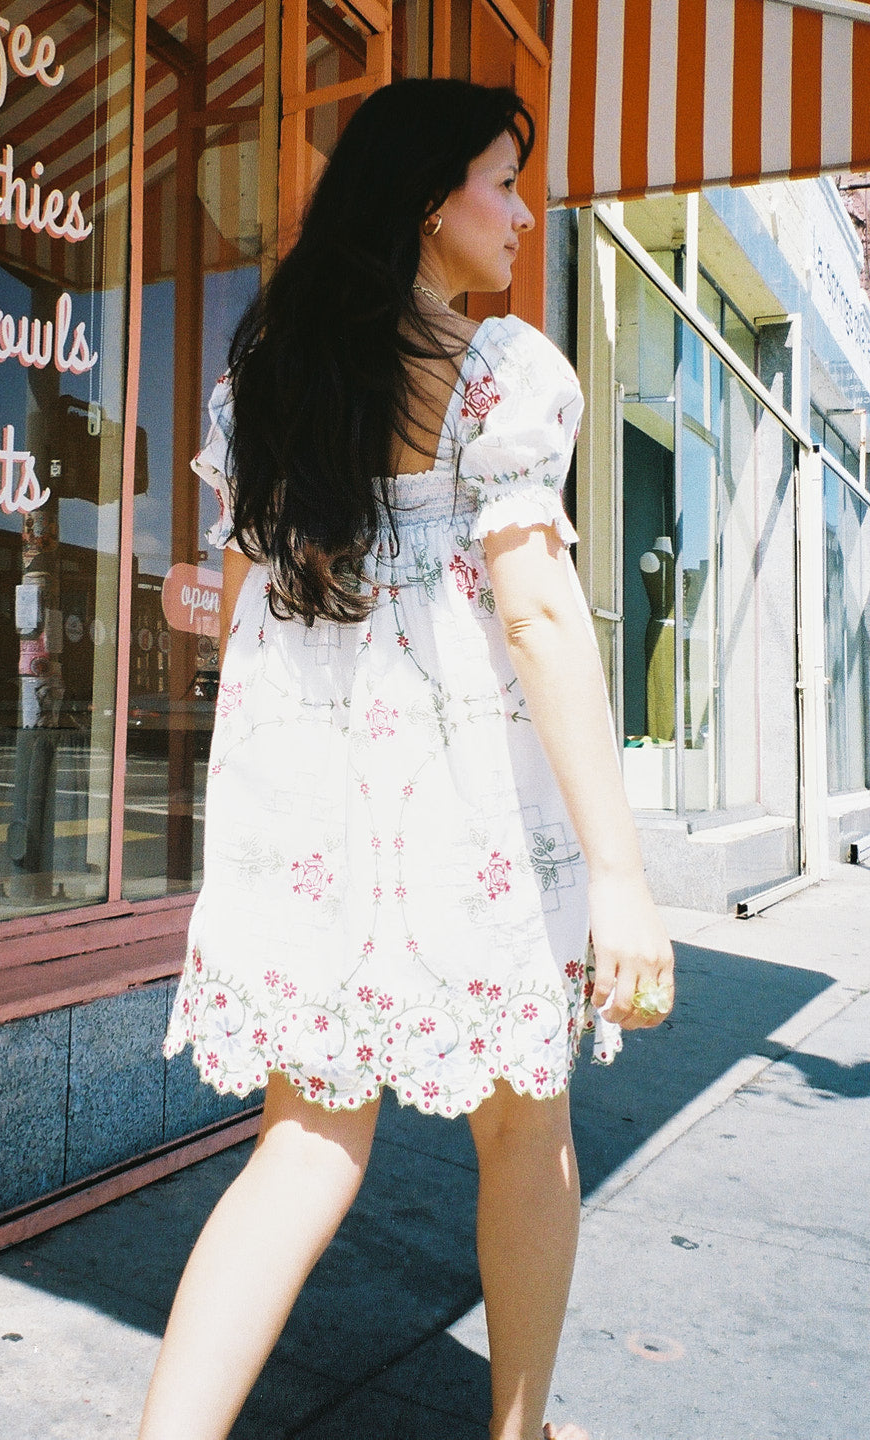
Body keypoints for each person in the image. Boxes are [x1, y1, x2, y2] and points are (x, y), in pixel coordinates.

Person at [141, 78, 675, 1440]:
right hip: (468, 811)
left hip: (310, 816)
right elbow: (541, 613)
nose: (525, 209)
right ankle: (521, 1429)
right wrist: (621, 877)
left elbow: (236, 605)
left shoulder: (266, 379)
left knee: (304, 1144)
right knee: (523, 1122)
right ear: (432, 200)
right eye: (504, 179)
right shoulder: (500, 374)